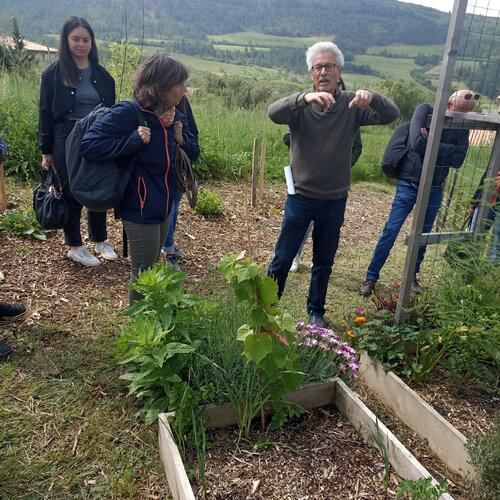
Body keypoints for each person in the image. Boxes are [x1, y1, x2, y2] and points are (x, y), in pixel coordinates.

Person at [267, 41, 400, 327]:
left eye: (329, 66)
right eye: (318, 67)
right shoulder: (299, 107)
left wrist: (373, 96)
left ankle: (316, 311)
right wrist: (304, 99)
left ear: (339, 71)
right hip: (300, 197)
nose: (323, 71)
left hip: (334, 199)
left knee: (323, 261)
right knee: (283, 256)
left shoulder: (352, 104)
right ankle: (267, 307)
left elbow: (392, 114)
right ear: (311, 73)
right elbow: (273, 112)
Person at [80, 53, 199, 304]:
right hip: (140, 207)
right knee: (142, 273)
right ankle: (139, 332)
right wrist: (133, 140)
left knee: (151, 272)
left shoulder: (171, 116)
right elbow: (89, 145)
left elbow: (192, 154)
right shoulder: (128, 112)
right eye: (180, 84)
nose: (184, 90)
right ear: (162, 86)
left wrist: (181, 138)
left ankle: (149, 323)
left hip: (164, 205)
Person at [359, 90, 478, 296]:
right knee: (391, 229)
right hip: (409, 183)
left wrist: (429, 139)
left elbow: (458, 160)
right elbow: (416, 143)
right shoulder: (425, 110)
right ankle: (371, 276)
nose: (470, 103)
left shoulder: (462, 125)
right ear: (450, 102)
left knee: (423, 235)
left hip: (435, 186)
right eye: (465, 100)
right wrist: (445, 148)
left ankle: (412, 275)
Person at [38, 16, 117, 267]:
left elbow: (111, 111)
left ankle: (100, 239)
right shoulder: (53, 74)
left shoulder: (103, 76)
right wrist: (46, 150)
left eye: (86, 39)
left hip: (96, 135)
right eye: (76, 39)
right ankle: (75, 245)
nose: (81, 44)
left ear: (92, 43)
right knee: (71, 189)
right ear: (66, 41)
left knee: (97, 185)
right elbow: (45, 113)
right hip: (65, 136)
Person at [287, 77, 363, 273]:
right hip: (306, 183)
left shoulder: (350, 114)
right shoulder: (307, 109)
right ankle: (294, 256)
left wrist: (342, 163)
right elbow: (286, 129)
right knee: (301, 225)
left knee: (324, 230)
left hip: (332, 188)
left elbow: (356, 147)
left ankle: (317, 260)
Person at [161, 96, 199, 266]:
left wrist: (181, 139)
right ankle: (166, 250)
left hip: (176, 172)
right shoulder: (143, 105)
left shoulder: (181, 104)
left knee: (174, 207)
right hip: (155, 174)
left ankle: (168, 246)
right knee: (168, 208)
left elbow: (194, 149)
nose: (183, 89)